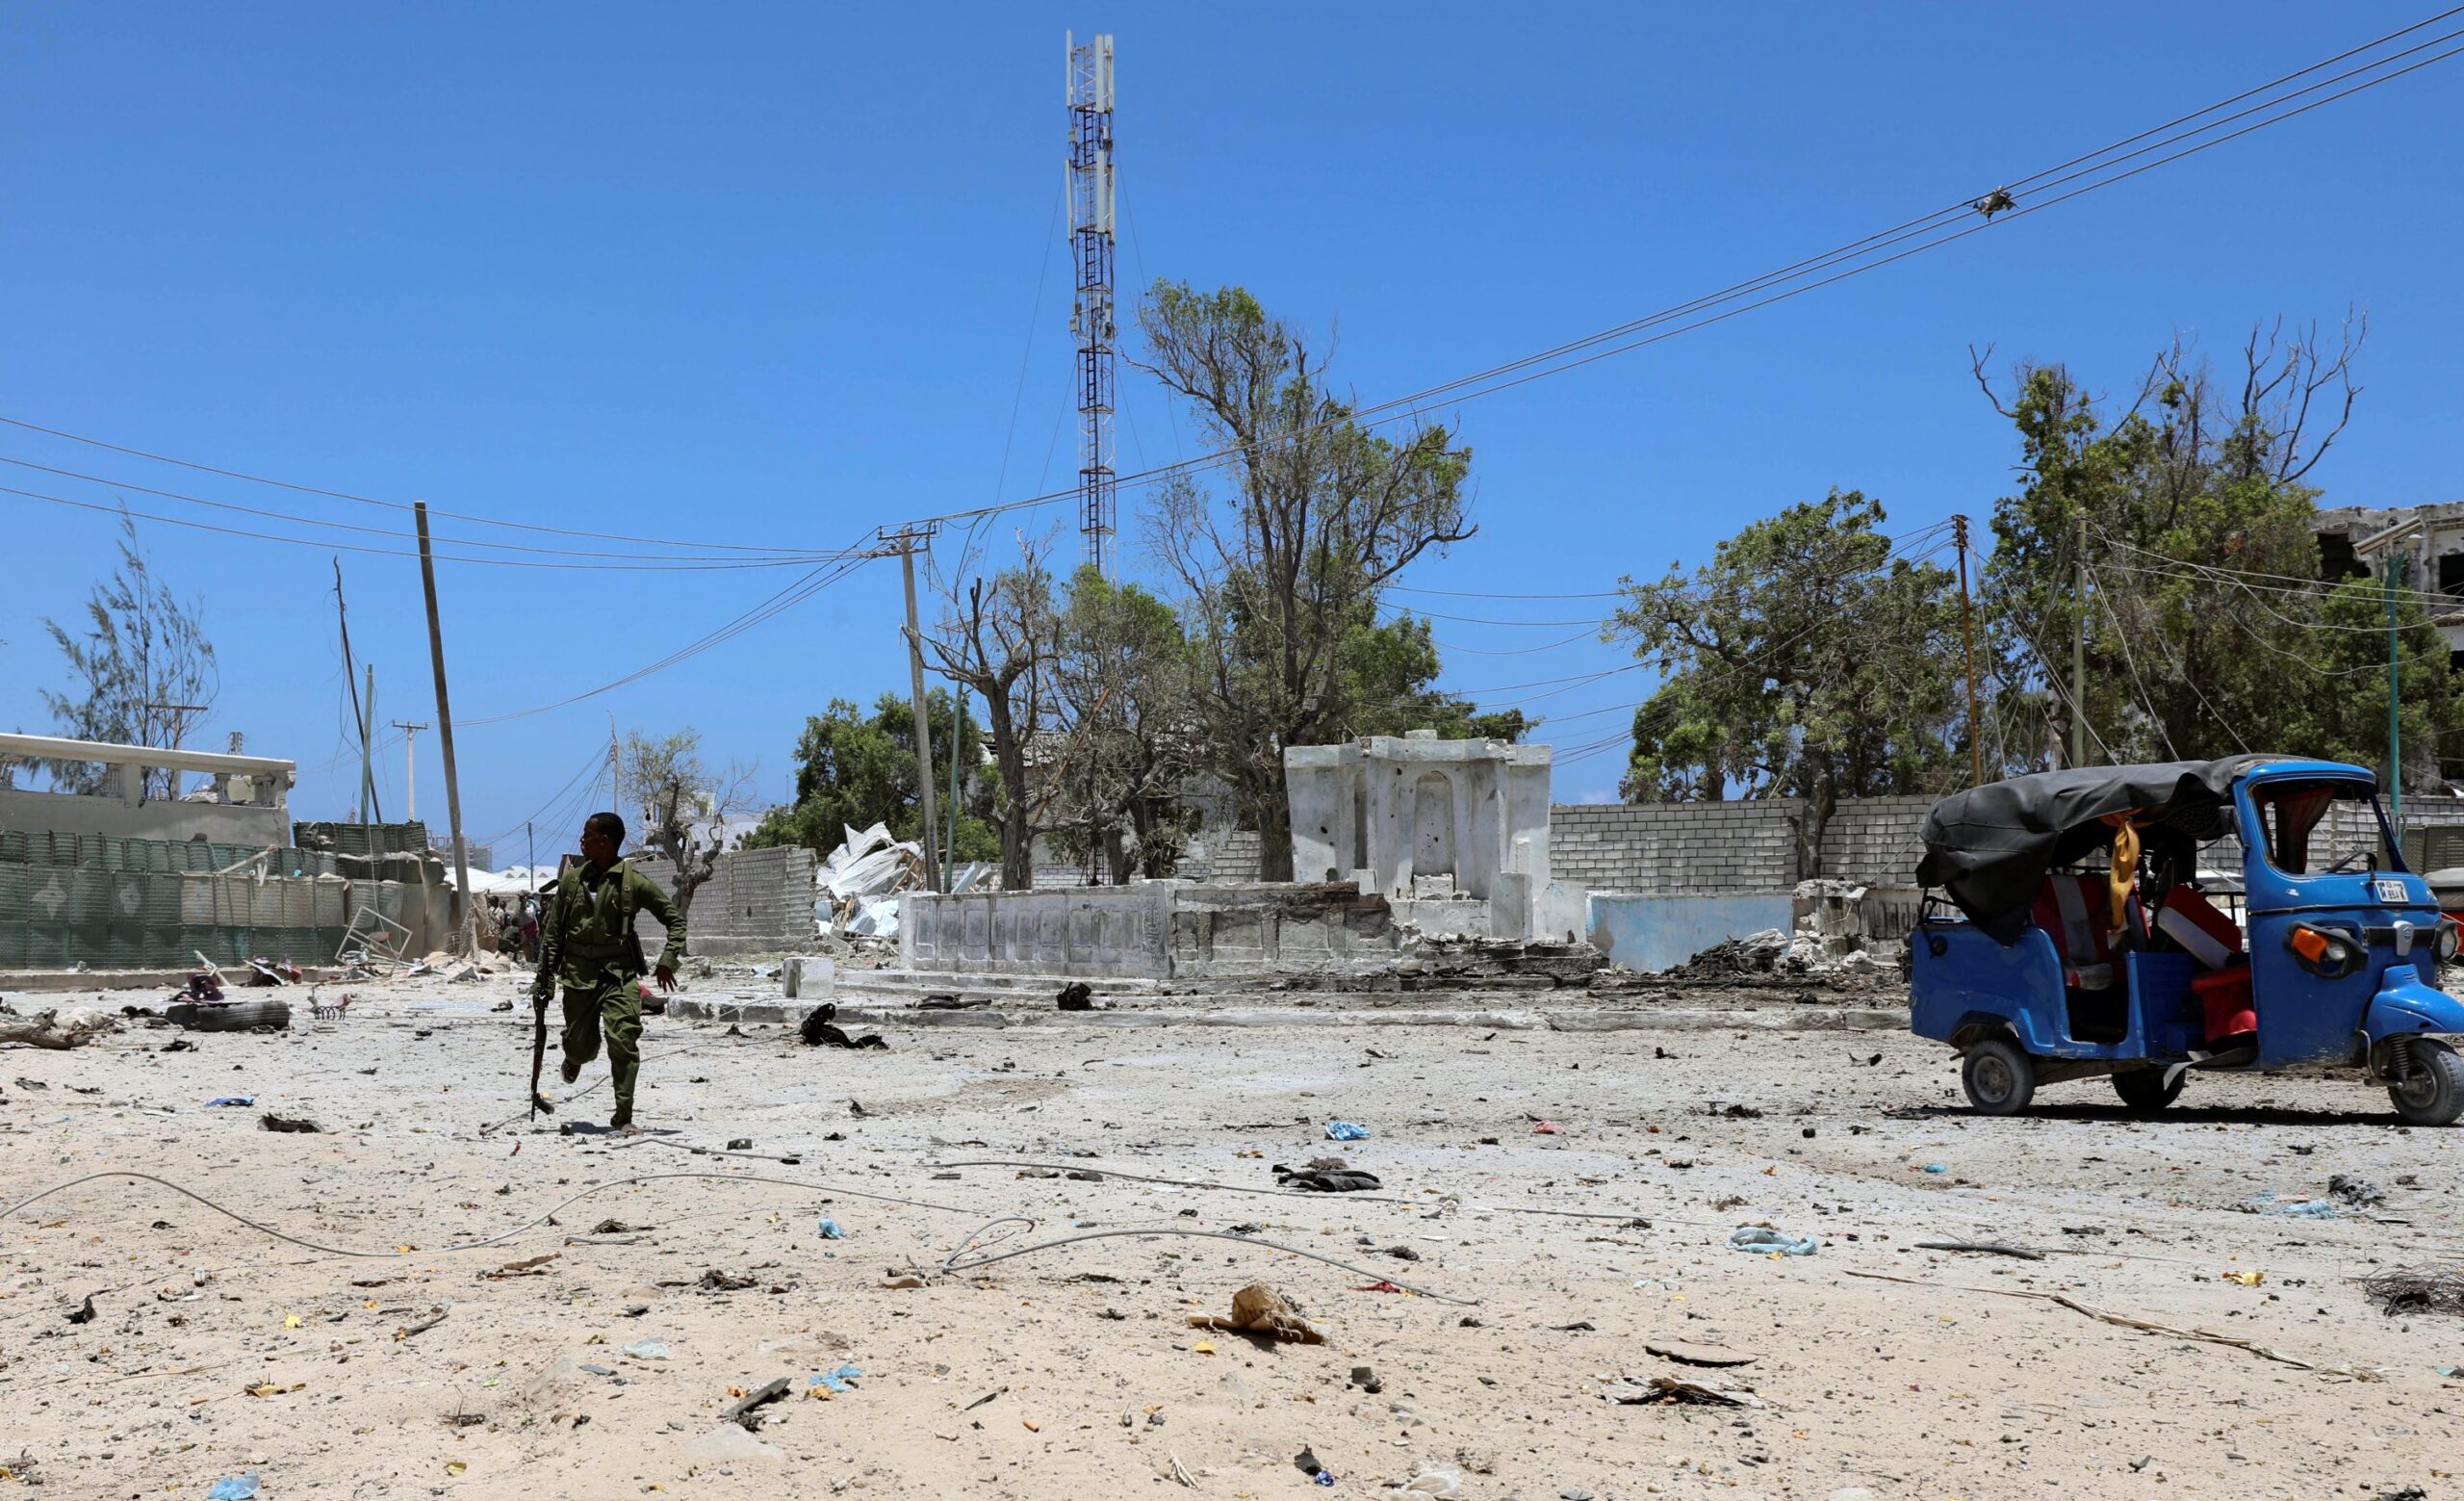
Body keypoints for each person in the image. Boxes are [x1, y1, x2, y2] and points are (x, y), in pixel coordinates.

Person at [530, 811, 687, 1132]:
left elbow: (675, 920)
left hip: (619, 975)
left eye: (586, 836)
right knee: (579, 1046)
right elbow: (552, 934)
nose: (582, 842)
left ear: (603, 841)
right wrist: (543, 979)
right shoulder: (571, 882)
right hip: (577, 975)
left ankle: (624, 1117)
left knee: (623, 1040)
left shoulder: (633, 883)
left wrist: (669, 958)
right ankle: (574, 1056)